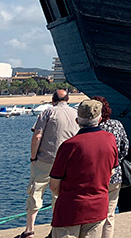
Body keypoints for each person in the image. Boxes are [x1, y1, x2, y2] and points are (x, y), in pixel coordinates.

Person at [49, 100, 118, 238]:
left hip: (70, 209)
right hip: (97, 207)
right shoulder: (110, 140)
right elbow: (111, 170)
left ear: (77, 120)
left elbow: (54, 184)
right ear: (99, 119)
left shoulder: (69, 146)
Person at [16, 89, 79, 238]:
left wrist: (33, 157)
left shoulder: (47, 113)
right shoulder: (75, 113)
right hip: (67, 161)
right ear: (68, 99)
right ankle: (56, 229)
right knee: (58, 196)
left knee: (35, 192)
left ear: (53, 100)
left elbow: (37, 136)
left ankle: (29, 230)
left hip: (46, 159)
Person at [90, 96, 129, 238]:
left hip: (95, 174)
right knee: (110, 214)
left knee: (94, 214)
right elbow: (125, 147)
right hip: (115, 174)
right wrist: (116, 161)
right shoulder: (117, 124)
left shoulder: (92, 128)